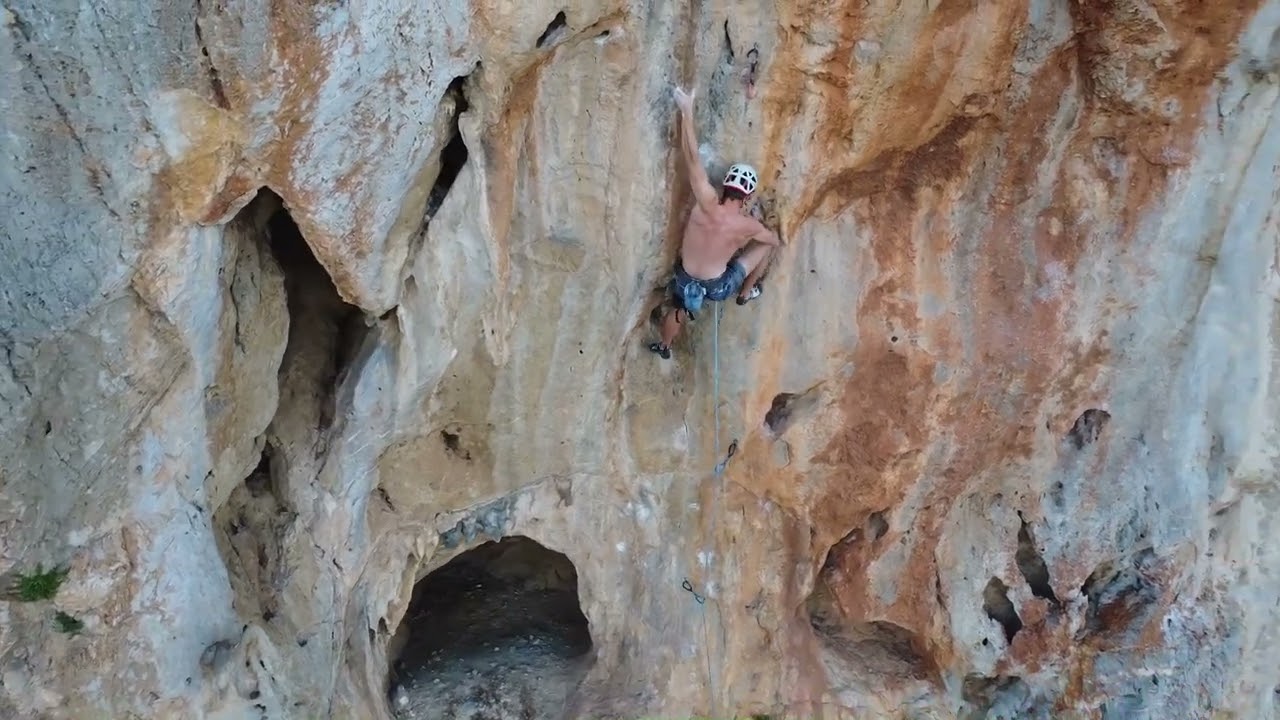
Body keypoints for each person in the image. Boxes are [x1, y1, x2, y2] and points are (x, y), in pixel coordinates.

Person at [648, 84, 783, 360]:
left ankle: (665, 346)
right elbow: (774, 240)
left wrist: (686, 110)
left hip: (685, 278)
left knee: (679, 308)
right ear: (747, 197)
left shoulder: (706, 201)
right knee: (766, 246)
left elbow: (692, 158)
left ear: (724, 185)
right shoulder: (748, 226)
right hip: (717, 286)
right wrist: (757, 228)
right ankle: (746, 292)